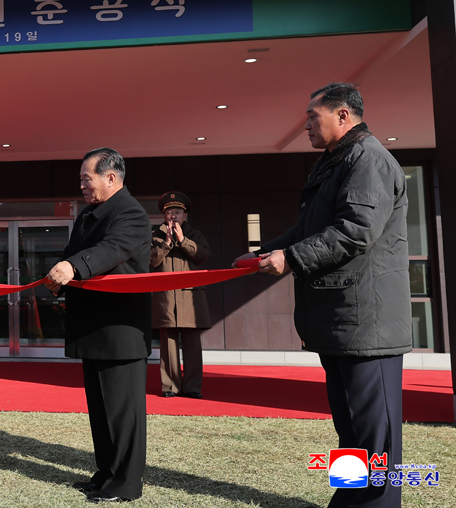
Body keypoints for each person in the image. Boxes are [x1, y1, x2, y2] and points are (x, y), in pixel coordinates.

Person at [234, 82, 411, 508]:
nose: (306, 125)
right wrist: (264, 254)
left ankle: (373, 503)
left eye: (314, 117)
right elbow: (309, 231)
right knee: (350, 427)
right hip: (340, 319)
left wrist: (291, 259)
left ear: (344, 116)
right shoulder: (336, 162)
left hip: (367, 325)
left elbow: (356, 232)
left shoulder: (368, 160)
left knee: (374, 434)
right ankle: (349, 498)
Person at [45, 148, 151, 504]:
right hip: (93, 326)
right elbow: (76, 250)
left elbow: (113, 248)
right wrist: (61, 271)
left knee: (123, 412)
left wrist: (75, 267)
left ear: (111, 177)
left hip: (120, 329)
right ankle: (106, 473)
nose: (82, 186)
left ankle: (126, 483)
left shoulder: (130, 213)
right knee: (101, 409)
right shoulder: (89, 214)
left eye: (86, 179)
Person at [150, 191, 211, 399]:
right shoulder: (155, 236)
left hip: (190, 298)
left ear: (185, 216)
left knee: (193, 345)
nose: (173, 216)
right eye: (169, 212)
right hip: (166, 298)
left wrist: (182, 240)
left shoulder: (195, 235)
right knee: (168, 345)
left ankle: (193, 387)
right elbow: (151, 262)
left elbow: (203, 255)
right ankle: (170, 387)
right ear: (164, 216)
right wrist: (166, 243)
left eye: (177, 212)